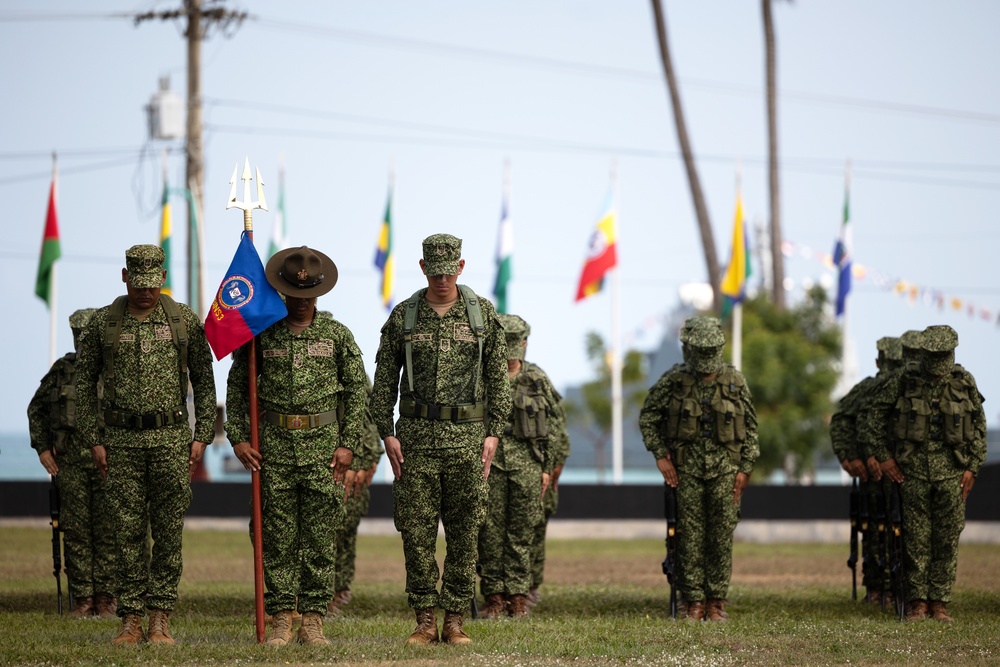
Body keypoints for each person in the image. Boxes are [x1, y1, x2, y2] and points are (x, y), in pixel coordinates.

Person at [371, 233, 512, 646]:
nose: (442, 279)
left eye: (449, 271)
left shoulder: (481, 315)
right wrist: (386, 433)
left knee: (465, 532)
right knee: (415, 533)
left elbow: (497, 381)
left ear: (461, 267)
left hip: (468, 441)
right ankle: (424, 620)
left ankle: (454, 620)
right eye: (435, 272)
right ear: (422, 268)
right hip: (415, 440)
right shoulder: (404, 316)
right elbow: (384, 383)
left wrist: (494, 432)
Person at [75, 244, 216, 645]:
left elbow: (204, 382)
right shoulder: (104, 322)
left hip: (171, 439)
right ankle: (131, 617)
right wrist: (93, 439)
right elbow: (83, 387)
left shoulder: (182, 319)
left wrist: (202, 434)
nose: (145, 292)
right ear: (125, 277)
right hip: (120, 441)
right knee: (127, 531)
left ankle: (160, 617)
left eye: (153, 285)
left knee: (169, 531)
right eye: (138, 284)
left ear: (163, 279)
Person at [226, 246, 367, 646]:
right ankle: (282, 617)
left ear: (319, 293)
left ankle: (313, 618)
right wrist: (237, 435)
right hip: (274, 448)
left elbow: (357, 390)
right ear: (283, 291)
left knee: (321, 536)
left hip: (324, 450)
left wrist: (348, 444)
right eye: (293, 295)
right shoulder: (261, 333)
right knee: (277, 535)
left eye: (308, 297)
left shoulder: (337, 335)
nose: (301, 303)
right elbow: (238, 387)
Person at [638, 315, 759, 622]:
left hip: (725, 471)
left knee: (720, 536)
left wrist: (745, 468)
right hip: (686, 471)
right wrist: (660, 455)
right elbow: (649, 418)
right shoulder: (675, 380)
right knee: (688, 537)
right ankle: (692, 600)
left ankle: (715, 601)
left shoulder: (734, 381)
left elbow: (752, 429)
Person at [863, 324, 986, 622]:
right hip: (913, 472)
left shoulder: (964, 381)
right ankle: (917, 603)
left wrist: (973, 466)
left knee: (946, 539)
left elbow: (979, 428)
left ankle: (939, 603)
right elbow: (873, 417)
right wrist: (884, 458)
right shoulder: (905, 380)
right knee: (915, 540)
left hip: (953, 473)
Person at [27, 307, 117, 619]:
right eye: (79, 336)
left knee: (108, 532)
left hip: (109, 461)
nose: (83, 341)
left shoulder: (116, 368)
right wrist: (42, 448)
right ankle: (83, 599)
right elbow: (36, 410)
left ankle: (107, 599)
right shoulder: (62, 370)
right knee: (77, 532)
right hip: (71, 465)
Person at [477, 313, 567, 619]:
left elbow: (554, 427)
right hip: (489, 464)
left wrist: (547, 467)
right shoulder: (481, 376)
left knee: (521, 533)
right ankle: (493, 597)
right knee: (488, 533)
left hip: (527, 466)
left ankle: (517, 596)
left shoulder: (537, 379)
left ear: (525, 344)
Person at [829, 336, 902, 604]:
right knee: (876, 527)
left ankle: (901, 589)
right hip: (876, 473)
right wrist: (850, 456)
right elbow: (842, 420)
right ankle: (876, 586)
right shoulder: (870, 387)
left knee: (896, 530)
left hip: (906, 470)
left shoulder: (913, 386)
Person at [328, 374, 384, 615]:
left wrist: (367, 457)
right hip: (318, 454)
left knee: (344, 529)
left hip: (351, 459)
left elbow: (367, 417)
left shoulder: (352, 371)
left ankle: (338, 588)